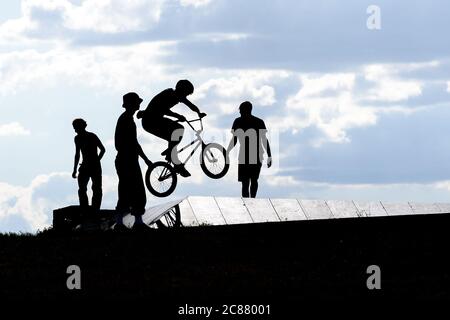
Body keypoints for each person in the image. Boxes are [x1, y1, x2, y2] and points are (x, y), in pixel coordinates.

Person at [137, 79, 206, 178]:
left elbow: (191, 106)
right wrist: (178, 116)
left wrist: (199, 113)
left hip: (153, 120)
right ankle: (171, 155)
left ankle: (175, 161)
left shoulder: (179, 96)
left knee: (173, 135)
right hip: (150, 122)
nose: (186, 97)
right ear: (181, 90)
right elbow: (163, 109)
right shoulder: (169, 94)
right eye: (186, 94)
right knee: (178, 129)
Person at [114, 92, 152, 231]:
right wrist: (145, 159)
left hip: (128, 159)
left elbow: (133, 143)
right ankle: (124, 223)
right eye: (137, 102)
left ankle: (136, 222)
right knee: (130, 190)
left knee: (132, 190)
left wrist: (144, 159)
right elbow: (130, 143)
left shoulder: (127, 119)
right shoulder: (126, 120)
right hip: (126, 160)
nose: (139, 104)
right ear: (131, 104)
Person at [227, 101, 272, 198]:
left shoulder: (239, 121)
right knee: (248, 181)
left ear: (244, 110)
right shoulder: (257, 121)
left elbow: (264, 140)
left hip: (252, 154)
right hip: (249, 154)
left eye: (240, 110)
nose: (239, 112)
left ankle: (251, 201)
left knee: (249, 181)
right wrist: (227, 152)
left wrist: (269, 155)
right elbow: (234, 139)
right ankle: (249, 201)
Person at [72, 118, 105, 210]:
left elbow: (103, 149)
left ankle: (95, 208)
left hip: (93, 166)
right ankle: (85, 208)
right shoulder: (77, 138)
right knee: (83, 189)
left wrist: (97, 160)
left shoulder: (92, 136)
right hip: (86, 166)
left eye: (76, 127)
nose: (75, 130)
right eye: (74, 128)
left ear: (81, 126)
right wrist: (74, 169)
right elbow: (77, 154)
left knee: (96, 188)